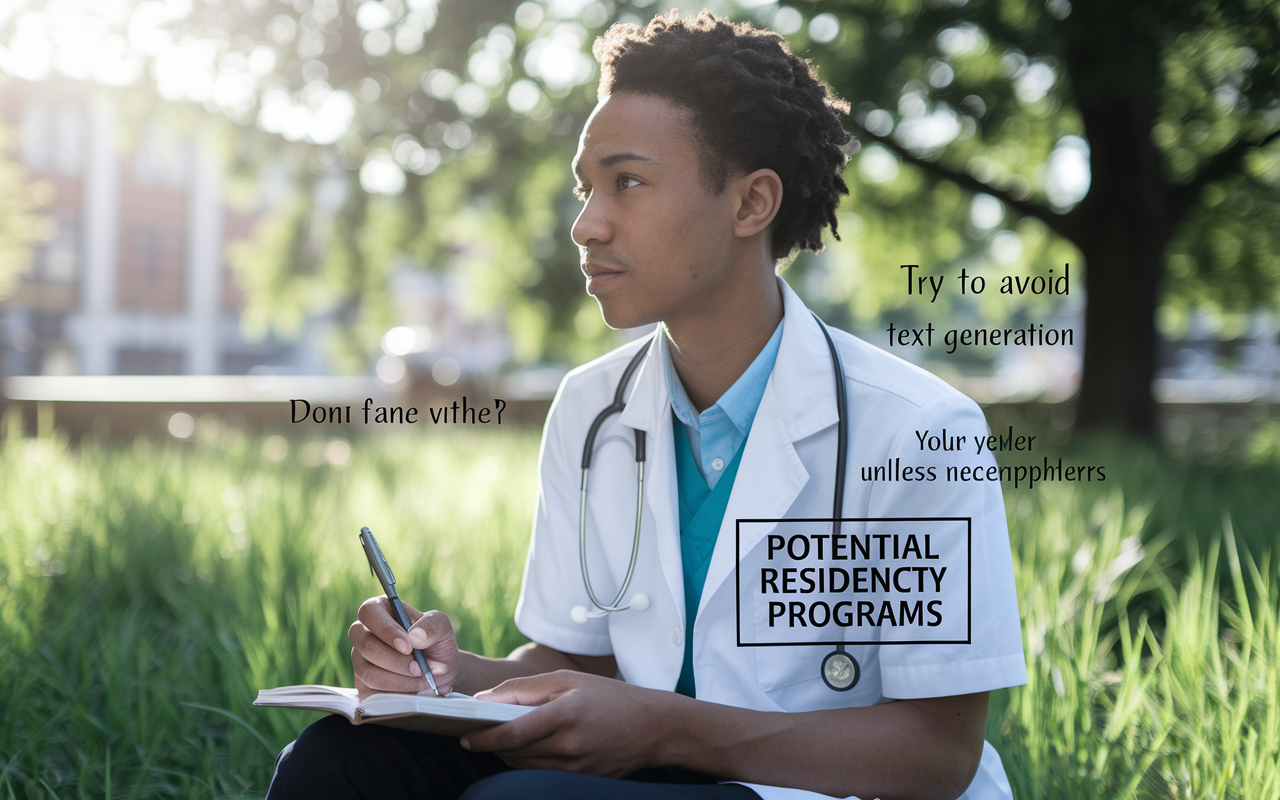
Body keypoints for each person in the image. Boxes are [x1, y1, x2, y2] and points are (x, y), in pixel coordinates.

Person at [267, 10, 1026, 800]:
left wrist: (662, 726)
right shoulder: (591, 407)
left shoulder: (921, 430)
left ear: (750, 204)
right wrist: (447, 671)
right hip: (658, 769)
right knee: (334, 762)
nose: (587, 224)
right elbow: (590, 665)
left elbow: (936, 755)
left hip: (815, 791)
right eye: (586, 188)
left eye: (627, 182)